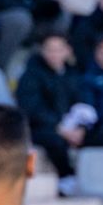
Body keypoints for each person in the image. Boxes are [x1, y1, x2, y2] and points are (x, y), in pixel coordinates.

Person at [16, 33, 84, 191]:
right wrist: (59, 127)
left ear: (67, 51)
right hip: (40, 128)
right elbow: (31, 109)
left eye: (59, 49)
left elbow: (82, 103)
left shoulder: (73, 74)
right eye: (50, 49)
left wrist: (80, 128)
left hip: (71, 126)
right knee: (54, 139)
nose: (54, 54)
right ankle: (66, 178)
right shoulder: (30, 75)